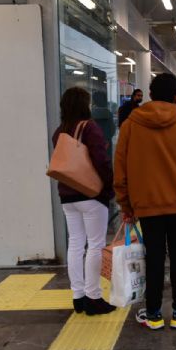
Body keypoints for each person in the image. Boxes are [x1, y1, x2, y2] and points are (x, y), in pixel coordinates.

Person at [114, 73, 176, 330]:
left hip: (146, 205)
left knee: (153, 256)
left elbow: (120, 170)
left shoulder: (130, 126)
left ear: (150, 95)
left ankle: (153, 313)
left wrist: (126, 205)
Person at [52, 87, 116, 316]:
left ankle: (78, 296)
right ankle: (93, 297)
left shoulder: (60, 130)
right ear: (84, 105)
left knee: (76, 243)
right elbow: (101, 160)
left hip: (67, 195)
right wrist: (109, 186)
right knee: (95, 245)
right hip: (90, 194)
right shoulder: (89, 128)